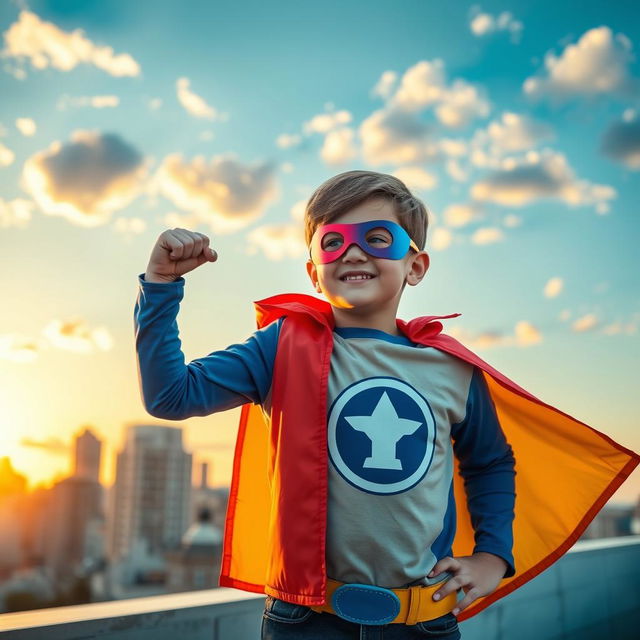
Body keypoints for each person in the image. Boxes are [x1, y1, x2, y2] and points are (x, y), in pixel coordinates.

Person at [134, 170, 639, 640]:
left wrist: (492, 557)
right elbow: (170, 396)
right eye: (333, 242)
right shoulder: (280, 347)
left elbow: (490, 462)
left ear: (415, 266)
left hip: (423, 622)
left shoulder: (453, 369)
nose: (352, 253)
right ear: (315, 273)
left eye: (377, 238)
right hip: (305, 622)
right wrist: (160, 286)